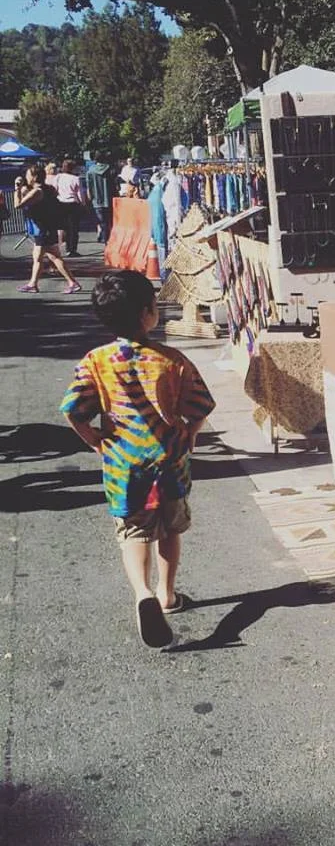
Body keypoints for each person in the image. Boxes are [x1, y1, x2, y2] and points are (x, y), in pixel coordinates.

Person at [59, 271, 216, 648]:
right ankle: (167, 594)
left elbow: (73, 411)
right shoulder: (172, 360)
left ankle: (143, 594)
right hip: (169, 464)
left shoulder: (96, 361)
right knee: (170, 530)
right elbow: (200, 406)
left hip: (124, 468)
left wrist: (95, 440)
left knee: (133, 533)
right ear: (148, 313)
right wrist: (191, 433)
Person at [14, 165, 81, 294]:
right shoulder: (48, 189)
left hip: (43, 229)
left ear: (34, 177)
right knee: (44, 257)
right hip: (47, 227)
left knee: (50, 257)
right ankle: (33, 284)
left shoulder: (37, 192)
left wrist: (17, 189)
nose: (26, 177)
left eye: (28, 175)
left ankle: (72, 283)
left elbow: (18, 205)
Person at [56, 158, 86, 257]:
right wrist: (83, 203)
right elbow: (80, 193)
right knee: (73, 228)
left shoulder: (58, 177)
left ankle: (61, 247)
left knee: (63, 227)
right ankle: (71, 249)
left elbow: (55, 189)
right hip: (72, 203)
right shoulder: (75, 179)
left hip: (61, 202)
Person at [86, 153, 116, 243]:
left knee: (100, 220)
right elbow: (114, 185)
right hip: (109, 198)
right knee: (108, 221)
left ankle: (102, 235)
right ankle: (107, 238)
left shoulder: (91, 170)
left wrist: (89, 197)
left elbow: (89, 186)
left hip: (97, 200)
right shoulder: (110, 169)